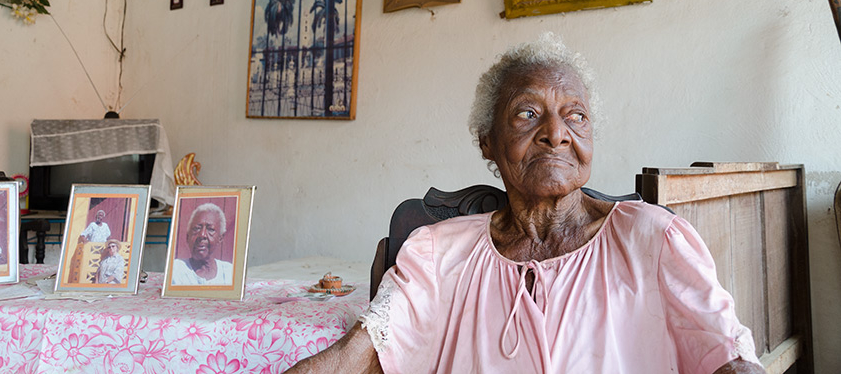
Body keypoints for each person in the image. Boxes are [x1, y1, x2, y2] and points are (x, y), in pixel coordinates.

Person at [287, 33, 766, 374]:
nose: (556, 133)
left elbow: (728, 356)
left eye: (575, 115)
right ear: (488, 143)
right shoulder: (436, 253)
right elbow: (357, 358)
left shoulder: (654, 238)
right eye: (528, 113)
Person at [171, 203, 233, 285]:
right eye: (197, 228)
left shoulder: (230, 273)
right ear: (187, 237)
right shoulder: (176, 270)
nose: (202, 234)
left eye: (210, 229)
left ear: (220, 238)